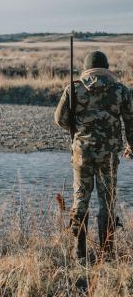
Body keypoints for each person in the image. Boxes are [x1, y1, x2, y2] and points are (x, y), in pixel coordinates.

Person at [55, 51, 133, 261]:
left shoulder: (74, 88)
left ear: (86, 68)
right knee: (107, 201)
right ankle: (106, 253)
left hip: (82, 153)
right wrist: (130, 146)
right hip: (108, 155)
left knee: (81, 199)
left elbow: (60, 120)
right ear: (106, 67)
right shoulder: (121, 90)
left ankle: (79, 253)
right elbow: (130, 121)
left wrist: (77, 129)